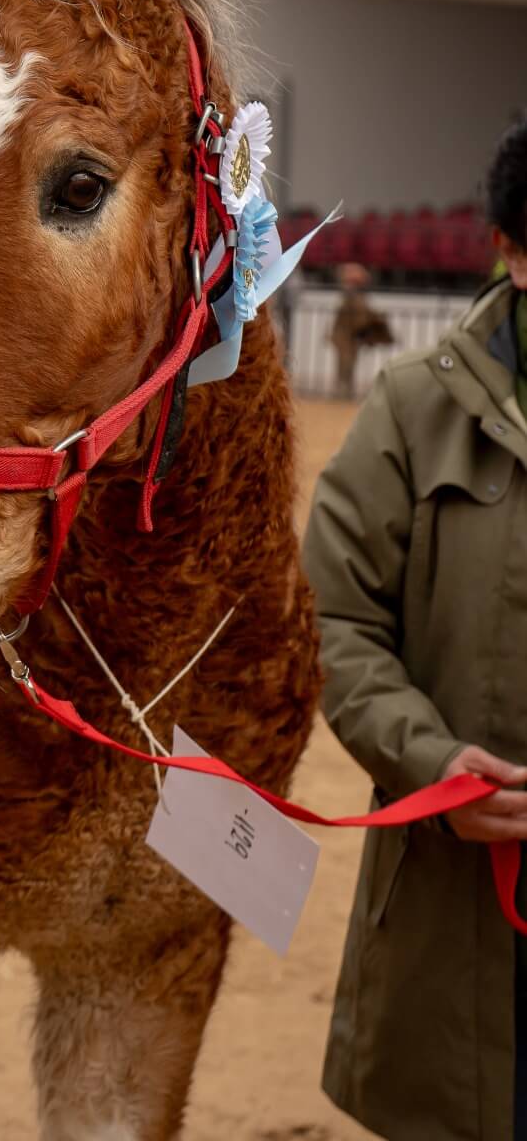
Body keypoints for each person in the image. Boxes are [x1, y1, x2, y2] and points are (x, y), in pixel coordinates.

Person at [304, 117, 527, 1141]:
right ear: (512, 253)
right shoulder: (408, 413)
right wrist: (434, 763)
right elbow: (337, 622)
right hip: (454, 894)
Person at [330, 262, 394, 398]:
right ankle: (342, 392)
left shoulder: (356, 297)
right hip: (345, 337)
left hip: (351, 337)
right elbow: (359, 317)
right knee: (345, 364)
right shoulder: (351, 297)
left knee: (348, 364)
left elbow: (363, 315)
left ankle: (344, 392)